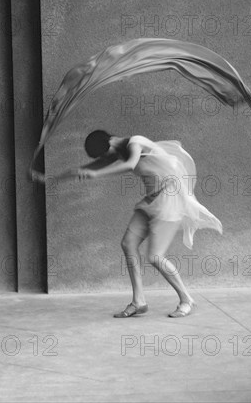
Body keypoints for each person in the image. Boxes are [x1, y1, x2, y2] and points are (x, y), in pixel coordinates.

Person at [57, 130, 222, 318]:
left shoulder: (135, 143)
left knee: (155, 256)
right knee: (128, 243)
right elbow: (84, 169)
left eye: (105, 153)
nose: (106, 158)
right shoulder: (117, 152)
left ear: (111, 142)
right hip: (152, 200)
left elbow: (130, 164)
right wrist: (48, 179)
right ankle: (139, 301)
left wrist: (95, 174)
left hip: (170, 201)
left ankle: (186, 299)